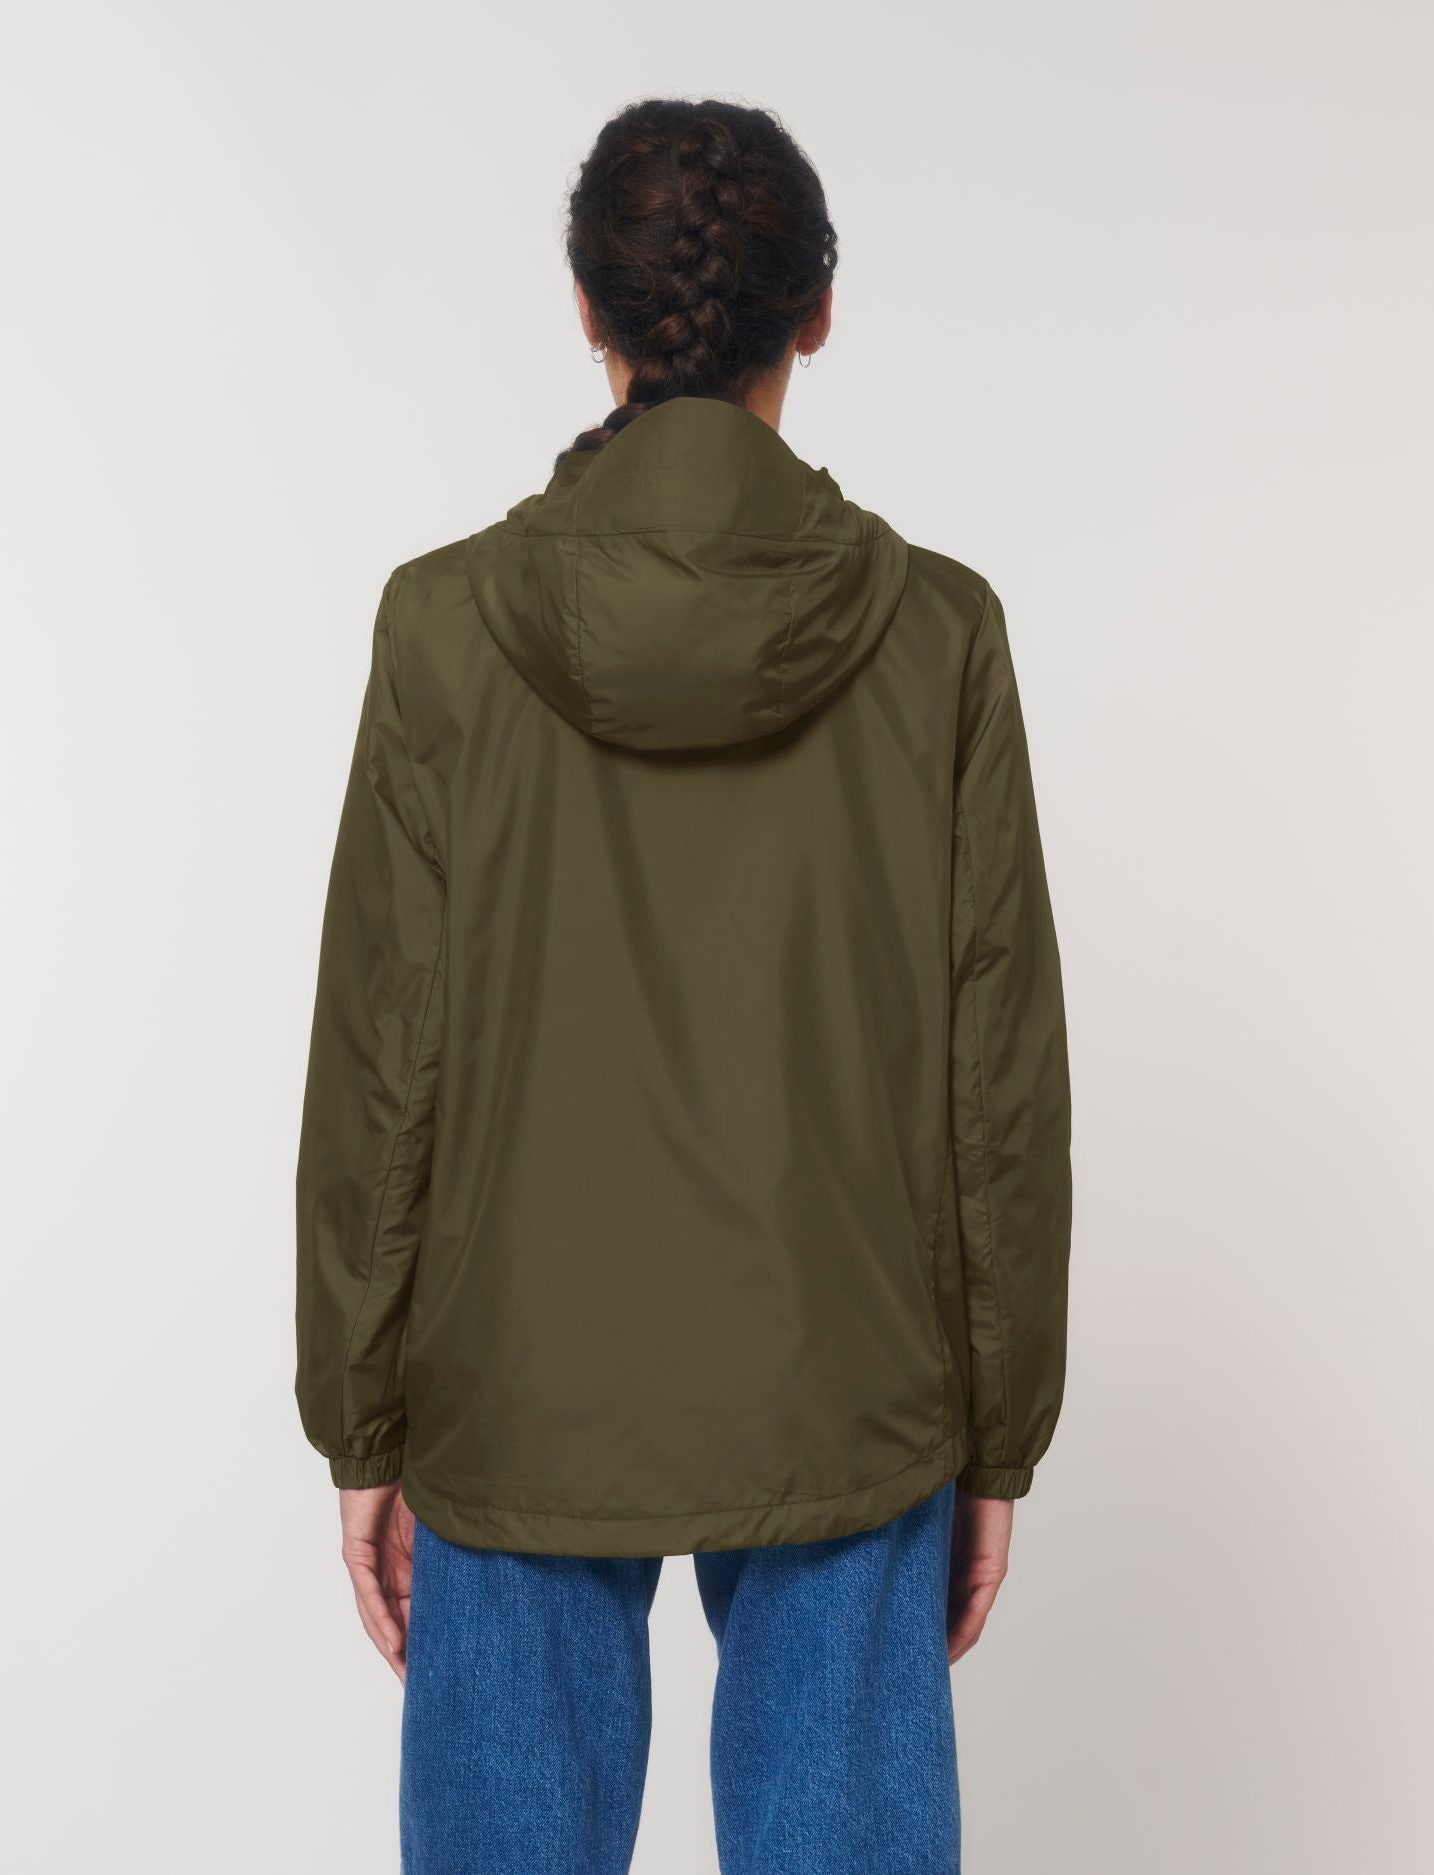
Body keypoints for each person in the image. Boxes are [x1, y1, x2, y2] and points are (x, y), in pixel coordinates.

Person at [295, 96, 1071, 1875]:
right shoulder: (940, 633)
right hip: (847, 1377)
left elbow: (383, 1059)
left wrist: (363, 1414)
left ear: (590, 313)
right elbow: (996, 1085)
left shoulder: (442, 627)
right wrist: (997, 1431)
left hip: (511, 1381)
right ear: (818, 314)